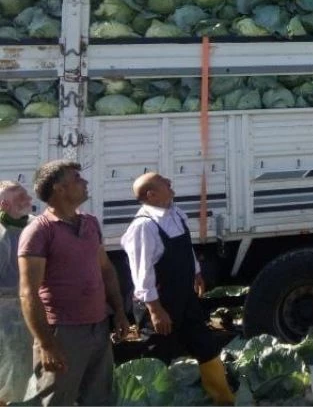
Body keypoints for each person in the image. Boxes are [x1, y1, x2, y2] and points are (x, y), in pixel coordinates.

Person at [17, 160, 129, 407]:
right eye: (77, 179)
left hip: (98, 327)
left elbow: (106, 270)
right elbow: (28, 294)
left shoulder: (90, 223)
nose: (85, 182)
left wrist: (119, 312)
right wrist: (46, 343)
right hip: (63, 332)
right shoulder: (38, 231)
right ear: (59, 189)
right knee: (56, 399)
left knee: (98, 398)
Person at [120, 172, 235, 406]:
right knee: (157, 357)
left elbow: (187, 250)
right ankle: (150, 401)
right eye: (164, 182)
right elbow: (142, 274)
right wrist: (155, 310)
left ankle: (223, 400)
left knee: (205, 345)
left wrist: (196, 272)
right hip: (160, 303)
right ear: (151, 194)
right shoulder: (143, 227)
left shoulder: (175, 213)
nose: (170, 183)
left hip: (185, 297)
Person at [0, 181, 35, 403]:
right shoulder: (2, 235)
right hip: (9, 313)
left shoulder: (35, 225)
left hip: (35, 306)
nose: (28, 200)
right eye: (20, 197)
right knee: (12, 365)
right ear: (4, 204)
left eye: (26, 195)